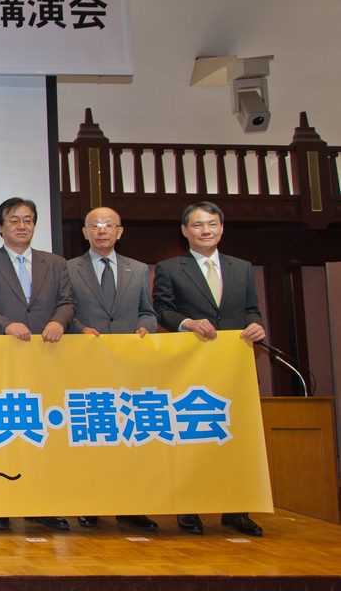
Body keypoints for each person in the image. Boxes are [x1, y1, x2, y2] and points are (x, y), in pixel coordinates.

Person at [153, 200, 267, 537]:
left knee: (238, 440)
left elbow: (251, 309)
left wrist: (256, 325)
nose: (206, 231)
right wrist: (187, 323)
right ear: (185, 230)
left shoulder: (241, 267)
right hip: (192, 367)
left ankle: (237, 510)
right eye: (198, 225)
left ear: (222, 228)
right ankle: (189, 509)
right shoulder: (170, 268)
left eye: (212, 224)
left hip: (235, 367)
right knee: (192, 438)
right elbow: (162, 310)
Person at [0, 196, 74, 532]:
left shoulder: (55, 263)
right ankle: (1, 505)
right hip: (4, 360)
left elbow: (67, 302)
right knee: (4, 433)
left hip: (48, 360)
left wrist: (58, 321)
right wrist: (6, 325)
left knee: (44, 434)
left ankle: (41, 504)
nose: (21, 226)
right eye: (13, 220)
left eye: (28, 220)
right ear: (0, 228)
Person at [66, 206, 158, 532]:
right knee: (91, 437)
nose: (101, 230)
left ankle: (131, 506)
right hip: (86, 366)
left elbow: (148, 311)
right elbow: (63, 310)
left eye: (108, 225)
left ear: (119, 232)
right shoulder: (67, 268)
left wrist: (145, 327)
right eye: (95, 225)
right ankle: (90, 503)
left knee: (130, 438)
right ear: (85, 233)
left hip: (129, 368)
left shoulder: (138, 269)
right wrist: (79, 330)